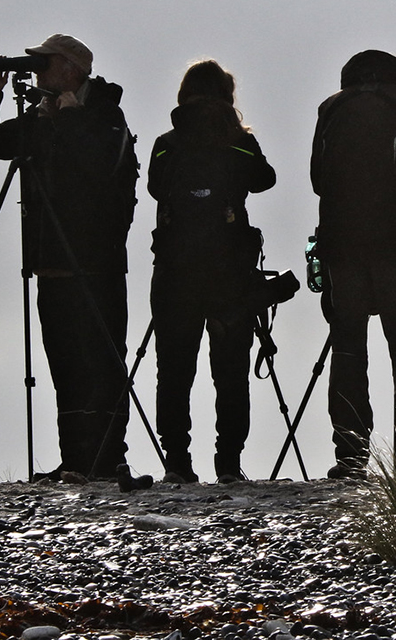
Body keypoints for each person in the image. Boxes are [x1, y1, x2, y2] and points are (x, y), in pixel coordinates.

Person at [0, 33, 138, 480]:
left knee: (102, 361)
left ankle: (107, 457)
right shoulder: (41, 120)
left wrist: (68, 119)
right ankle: (75, 460)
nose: (39, 71)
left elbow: (98, 166)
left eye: (46, 63)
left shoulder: (106, 115)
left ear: (72, 69)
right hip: (52, 260)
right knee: (64, 362)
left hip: (97, 261)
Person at [310, 50, 396, 479]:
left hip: (342, 244)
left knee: (349, 348)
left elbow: (319, 179)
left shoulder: (332, 107)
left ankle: (350, 455)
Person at [147, 60, 276, 484]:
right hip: (229, 273)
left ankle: (177, 462)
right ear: (227, 97)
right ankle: (229, 463)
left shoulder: (166, 143)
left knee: (175, 369)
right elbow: (265, 180)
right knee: (231, 371)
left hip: (174, 272)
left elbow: (153, 187)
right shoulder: (238, 143)